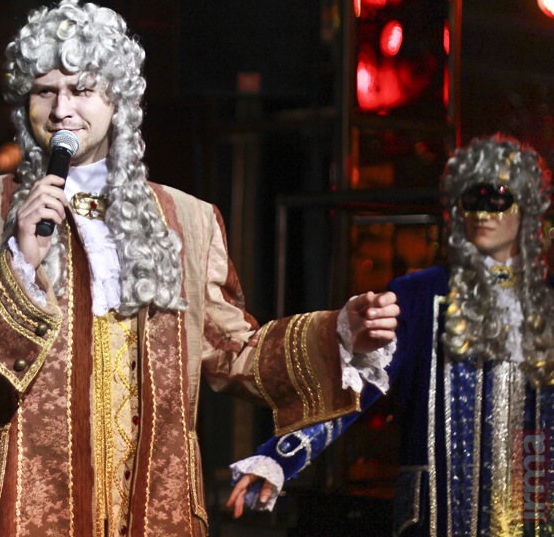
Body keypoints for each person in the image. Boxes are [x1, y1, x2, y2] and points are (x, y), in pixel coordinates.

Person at [0, 0, 399, 537]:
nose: (61, 109)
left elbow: (233, 351)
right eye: (45, 91)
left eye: (82, 89)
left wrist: (339, 332)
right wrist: (17, 264)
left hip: (154, 512)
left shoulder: (189, 220)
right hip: (21, 512)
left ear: (117, 99)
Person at [226, 134, 554, 536]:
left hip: (532, 513)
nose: (481, 212)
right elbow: (357, 387)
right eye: (471, 199)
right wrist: (279, 458)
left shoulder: (547, 301)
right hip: (437, 518)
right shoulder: (419, 295)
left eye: (497, 198)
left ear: (528, 207)